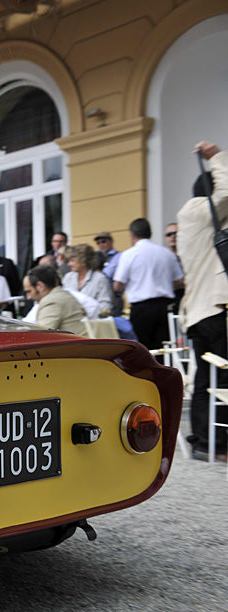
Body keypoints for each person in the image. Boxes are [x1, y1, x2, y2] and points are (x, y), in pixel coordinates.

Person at [176, 140, 228, 460]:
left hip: (203, 310)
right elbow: (225, 193)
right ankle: (213, 444)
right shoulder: (197, 211)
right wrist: (217, 158)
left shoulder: (198, 220)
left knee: (210, 377)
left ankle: (205, 442)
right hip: (211, 310)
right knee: (219, 376)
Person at [112, 218, 184, 350]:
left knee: (143, 349)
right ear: (150, 233)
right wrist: (163, 284)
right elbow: (180, 282)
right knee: (164, 349)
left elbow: (118, 286)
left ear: (132, 235)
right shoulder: (167, 253)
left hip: (142, 308)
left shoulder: (129, 255)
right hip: (165, 306)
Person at [22, 266, 87, 335]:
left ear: (40, 286)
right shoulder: (62, 294)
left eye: (29, 291)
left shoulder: (52, 301)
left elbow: (41, 336)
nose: (28, 297)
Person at [62, 244, 113, 315]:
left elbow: (105, 305)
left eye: (72, 260)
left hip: (92, 321)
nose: (69, 264)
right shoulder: (68, 277)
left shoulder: (99, 278)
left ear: (83, 261)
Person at [94, 231, 124, 314]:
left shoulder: (119, 255)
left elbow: (107, 273)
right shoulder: (97, 256)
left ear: (111, 241)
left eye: (104, 241)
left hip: (114, 297)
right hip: (101, 296)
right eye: (98, 243)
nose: (101, 244)